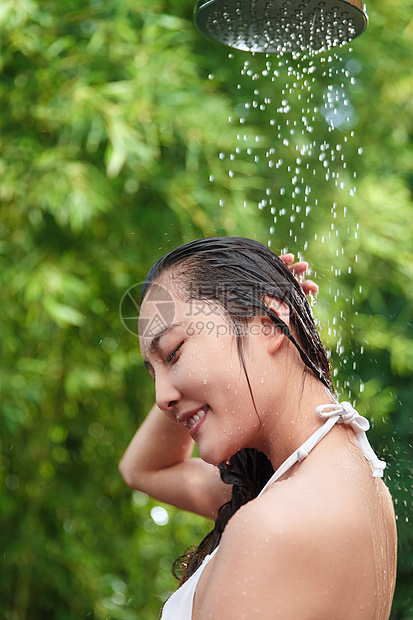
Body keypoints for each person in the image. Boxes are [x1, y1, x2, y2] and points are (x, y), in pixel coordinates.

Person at [119, 237, 397, 620]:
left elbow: (144, 470)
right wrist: (185, 393)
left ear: (268, 324)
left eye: (173, 352)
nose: (160, 397)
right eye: (154, 374)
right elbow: (145, 469)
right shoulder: (355, 484)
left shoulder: (272, 526)